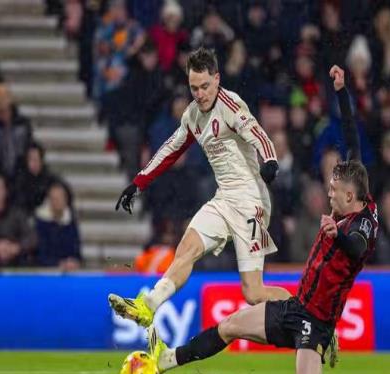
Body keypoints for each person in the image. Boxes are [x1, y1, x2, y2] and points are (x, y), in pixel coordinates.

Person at [145, 66, 390, 374]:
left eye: (334, 191)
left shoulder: (361, 226)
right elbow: (352, 137)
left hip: (316, 323)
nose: (329, 193)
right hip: (295, 308)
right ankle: (167, 360)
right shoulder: (356, 185)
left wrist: (338, 236)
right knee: (229, 326)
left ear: (351, 197)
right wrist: (341, 92)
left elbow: (357, 248)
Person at [109, 47, 289, 327]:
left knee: (253, 293)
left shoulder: (231, 105)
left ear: (217, 79)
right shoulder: (192, 115)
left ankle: (310, 315)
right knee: (186, 249)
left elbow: (258, 134)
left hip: (251, 201)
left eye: (205, 86)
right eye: (194, 88)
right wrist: (138, 182)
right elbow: (170, 149)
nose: (200, 94)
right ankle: (148, 306)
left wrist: (271, 161)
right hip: (224, 199)